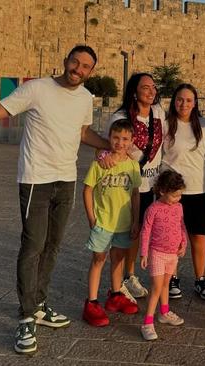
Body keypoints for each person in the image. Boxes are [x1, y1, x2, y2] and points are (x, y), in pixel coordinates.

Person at [0, 45, 110, 354]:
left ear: (90, 72)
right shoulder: (36, 88)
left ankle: (40, 304)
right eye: (76, 61)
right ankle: (25, 317)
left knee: (53, 246)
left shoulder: (86, 98)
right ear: (66, 60)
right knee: (33, 247)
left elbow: (84, 132)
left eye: (86, 66)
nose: (79, 68)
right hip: (36, 180)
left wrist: (110, 145)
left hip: (66, 180)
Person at [99, 73, 166, 300]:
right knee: (123, 232)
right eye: (145, 87)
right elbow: (106, 146)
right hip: (125, 184)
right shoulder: (121, 116)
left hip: (150, 183)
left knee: (137, 230)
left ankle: (129, 274)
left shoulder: (158, 113)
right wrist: (103, 157)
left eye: (153, 87)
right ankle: (117, 283)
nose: (150, 91)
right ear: (134, 91)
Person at [82, 119, 141, 328]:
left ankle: (115, 294)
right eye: (116, 138)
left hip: (123, 222)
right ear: (109, 138)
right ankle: (91, 300)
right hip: (103, 220)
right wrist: (91, 218)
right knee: (99, 258)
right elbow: (87, 190)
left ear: (132, 141)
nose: (120, 143)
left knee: (118, 258)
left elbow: (135, 195)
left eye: (125, 139)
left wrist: (136, 220)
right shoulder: (100, 163)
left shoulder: (133, 166)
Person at [161, 84, 205, 301]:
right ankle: (172, 277)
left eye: (189, 100)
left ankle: (200, 279)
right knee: (172, 238)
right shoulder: (165, 125)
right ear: (174, 101)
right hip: (172, 192)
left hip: (197, 189)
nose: (184, 104)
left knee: (198, 237)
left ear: (195, 103)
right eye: (180, 99)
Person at [139, 170, 187, 340]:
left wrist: (183, 243)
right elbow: (145, 231)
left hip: (173, 254)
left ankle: (164, 312)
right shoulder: (153, 209)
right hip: (157, 253)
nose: (178, 199)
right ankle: (147, 322)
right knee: (156, 288)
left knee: (166, 284)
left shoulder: (179, 207)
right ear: (162, 191)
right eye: (174, 195)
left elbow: (181, 226)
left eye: (180, 195)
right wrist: (144, 253)